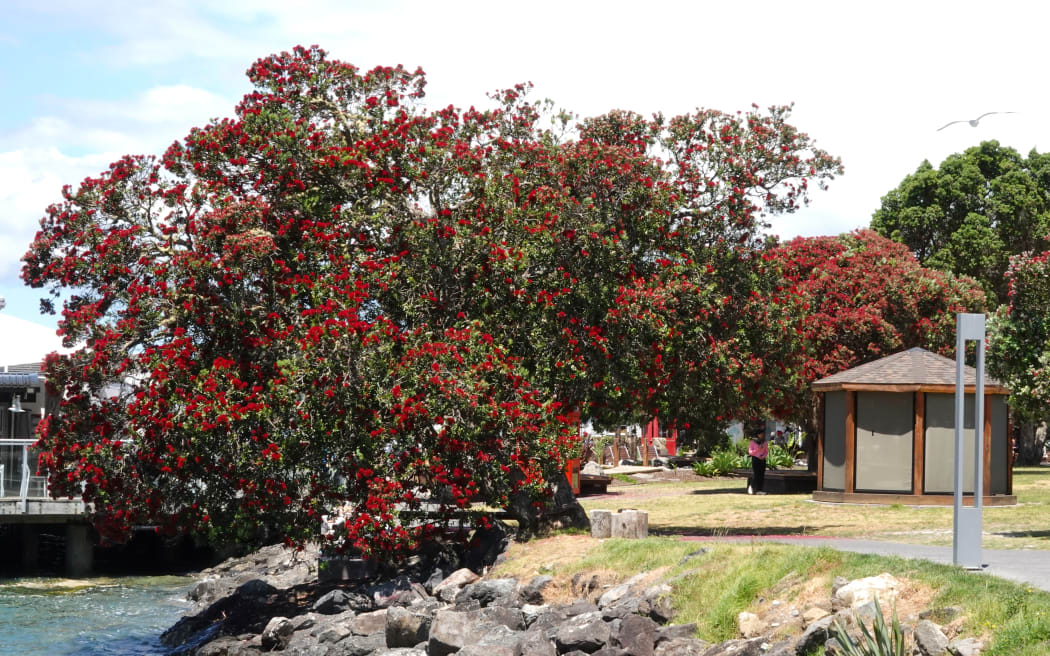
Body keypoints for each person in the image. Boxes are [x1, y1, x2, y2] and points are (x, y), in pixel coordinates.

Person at [748, 424, 768, 495]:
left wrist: (763, 456)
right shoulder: (752, 442)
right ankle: (751, 487)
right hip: (755, 459)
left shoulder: (764, 442)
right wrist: (757, 450)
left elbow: (766, 451)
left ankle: (760, 490)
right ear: (758, 434)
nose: (762, 435)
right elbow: (750, 452)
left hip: (762, 460)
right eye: (761, 434)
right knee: (756, 474)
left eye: (763, 434)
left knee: (761, 475)